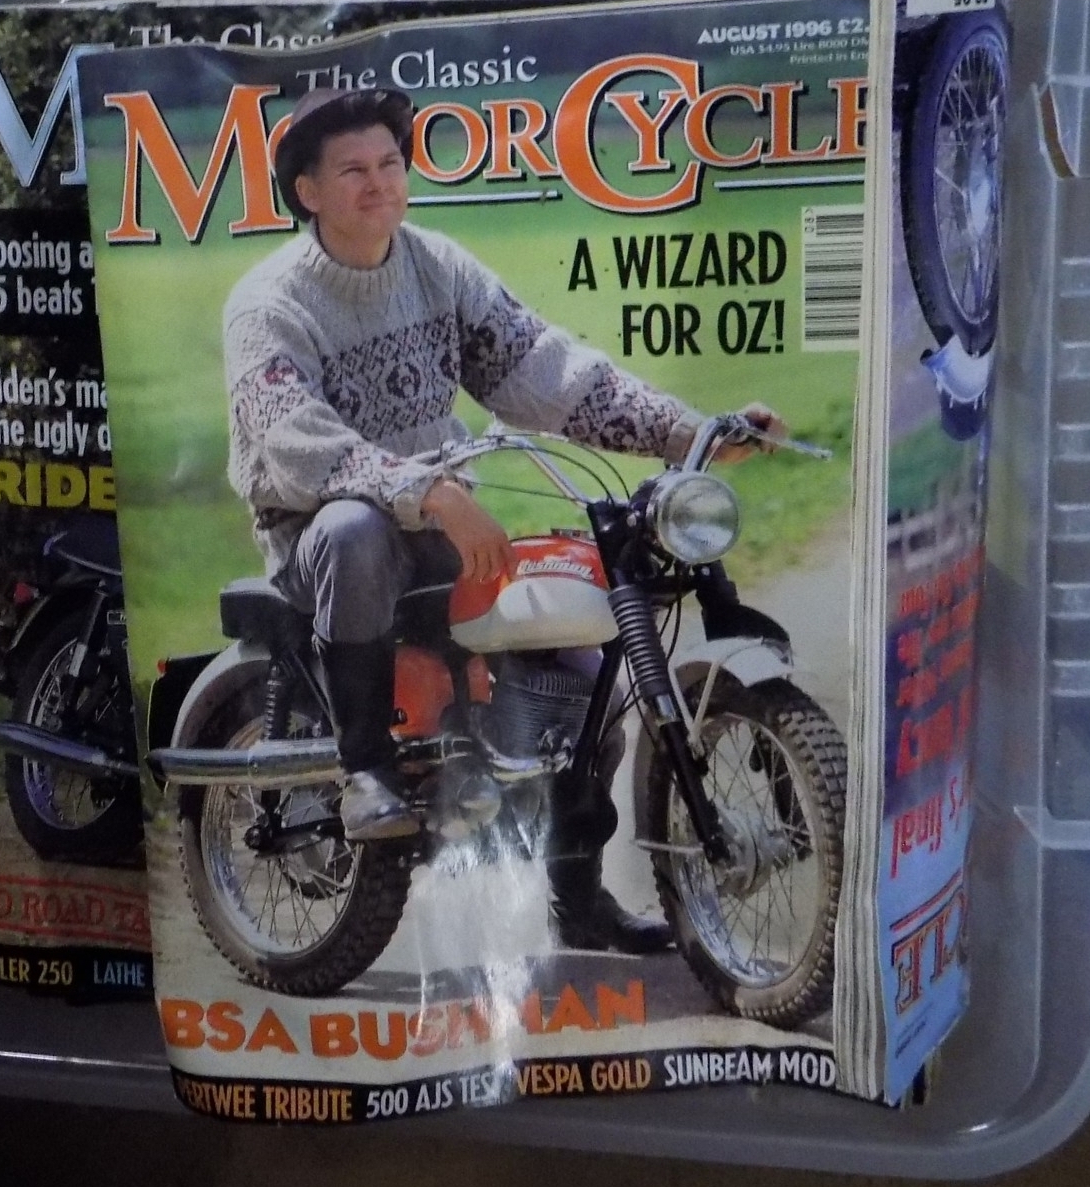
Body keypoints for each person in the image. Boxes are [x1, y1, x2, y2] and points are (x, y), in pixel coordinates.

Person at [223, 85, 779, 954]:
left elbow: (543, 368)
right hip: (318, 537)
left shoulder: (436, 267)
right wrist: (429, 491)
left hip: (441, 525)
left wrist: (691, 431)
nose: (379, 182)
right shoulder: (268, 306)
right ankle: (365, 768)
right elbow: (299, 444)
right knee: (353, 530)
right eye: (353, 170)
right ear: (308, 191)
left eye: (390, 163)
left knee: (586, 664)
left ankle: (578, 898)